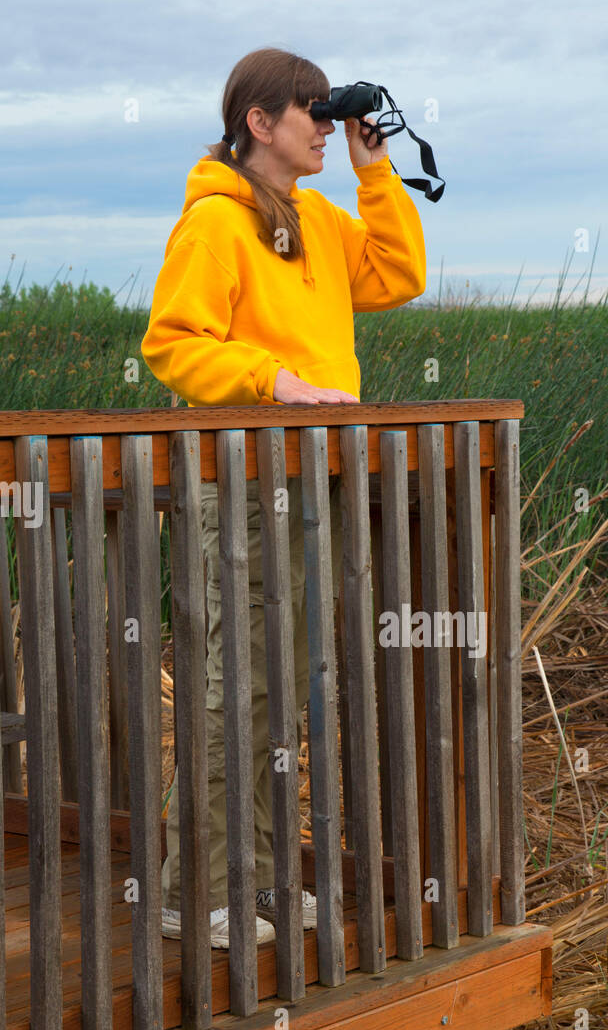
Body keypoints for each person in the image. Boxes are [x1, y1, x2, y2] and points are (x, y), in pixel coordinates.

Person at [141, 47, 426, 948]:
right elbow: (172, 342)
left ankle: (257, 880)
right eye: (308, 110)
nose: (320, 123)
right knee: (240, 682)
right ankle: (199, 890)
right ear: (258, 124)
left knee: (283, 685)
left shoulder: (318, 221)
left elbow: (399, 275)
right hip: (248, 476)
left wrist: (373, 171)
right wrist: (276, 382)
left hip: (307, 480)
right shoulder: (214, 226)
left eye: (324, 108)